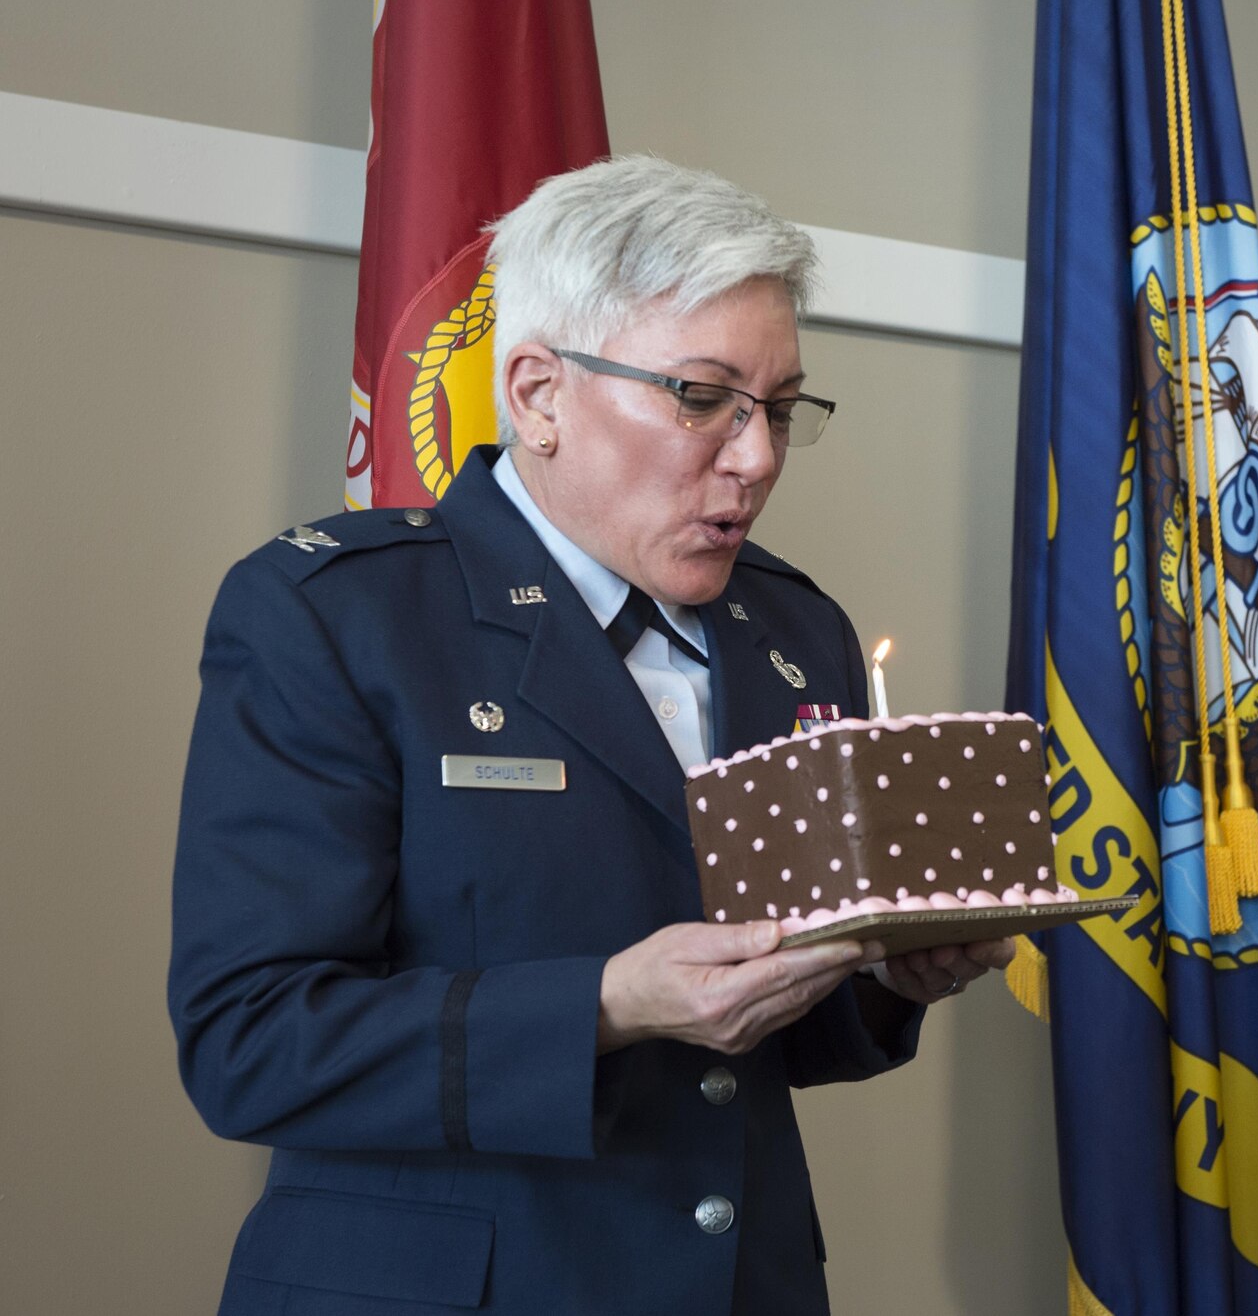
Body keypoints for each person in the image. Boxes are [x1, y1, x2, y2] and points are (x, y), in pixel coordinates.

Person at [168, 155, 1014, 1316]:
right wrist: (608, 1005)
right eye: (703, 397)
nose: (756, 456)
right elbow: (248, 1044)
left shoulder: (795, 630)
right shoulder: (337, 616)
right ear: (538, 395)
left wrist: (885, 976)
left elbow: (765, 1037)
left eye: (777, 407)